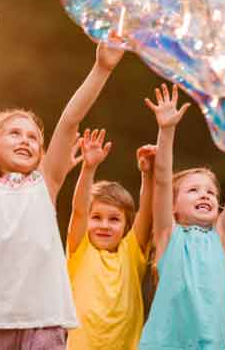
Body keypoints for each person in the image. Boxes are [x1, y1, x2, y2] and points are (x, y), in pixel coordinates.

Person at [0, 10, 124, 349]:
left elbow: (69, 121)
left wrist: (101, 69)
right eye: (13, 134)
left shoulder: (45, 184)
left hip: (44, 323)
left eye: (33, 137)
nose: (25, 140)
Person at [139, 84, 225, 350]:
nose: (205, 196)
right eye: (193, 190)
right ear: (173, 207)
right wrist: (166, 130)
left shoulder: (223, 238)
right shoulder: (168, 234)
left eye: (211, 193)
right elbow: (162, 180)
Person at [65, 127, 156, 349]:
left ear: (126, 225)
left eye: (114, 219)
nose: (104, 225)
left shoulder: (132, 253)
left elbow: (146, 211)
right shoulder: (80, 250)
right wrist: (89, 168)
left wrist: (148, 174)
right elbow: (78, 210)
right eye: (96, 217)